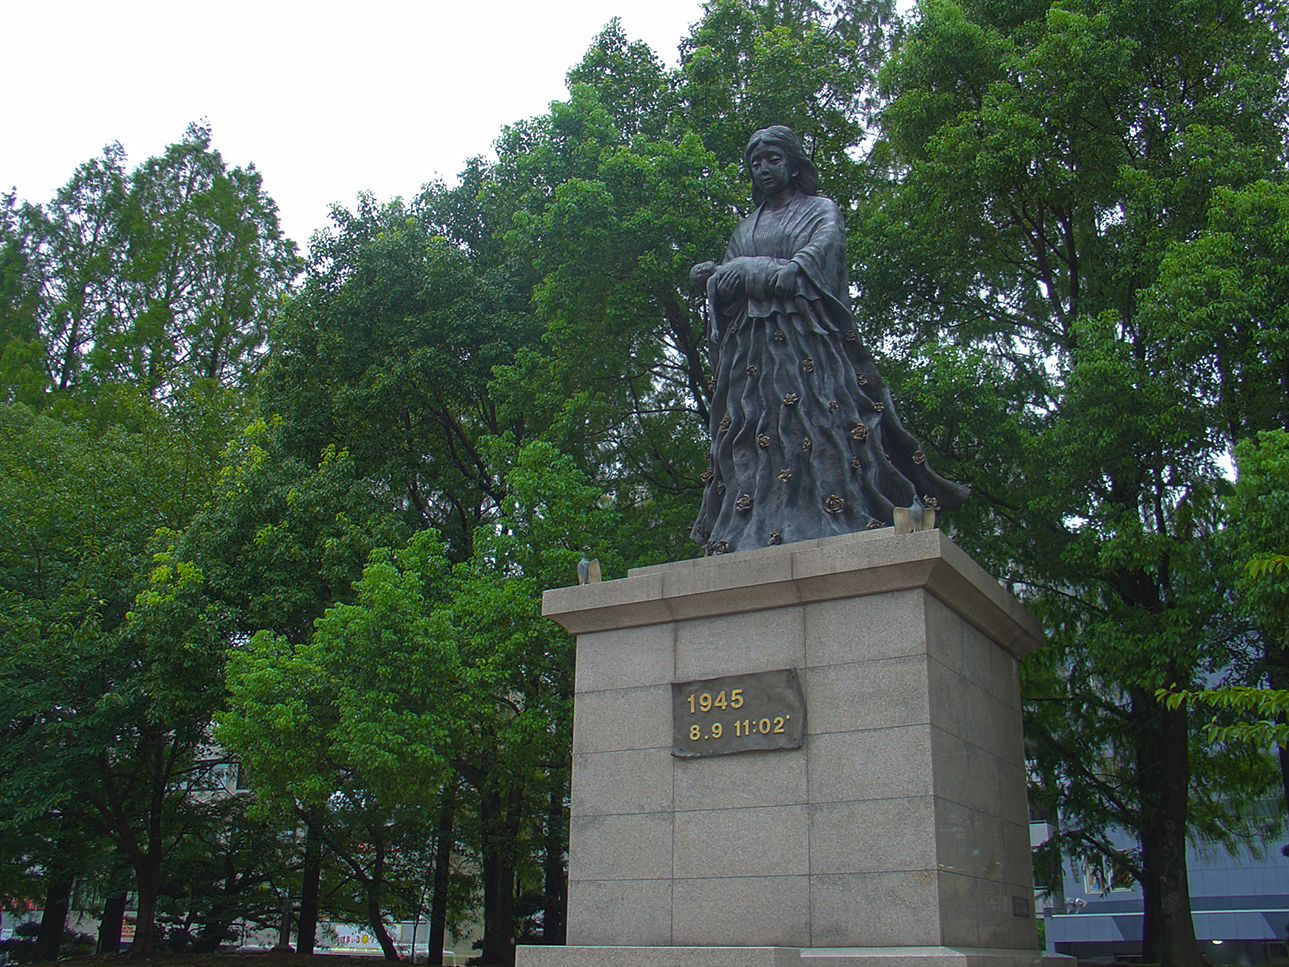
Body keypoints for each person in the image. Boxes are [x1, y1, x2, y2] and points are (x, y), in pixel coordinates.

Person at [689, 125, 968, 555]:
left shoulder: (821, 212)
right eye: (755, 163)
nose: (763, 169)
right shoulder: (745, 228)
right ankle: (752, 527)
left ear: (794, 163)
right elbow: (730, 289)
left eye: (773, 159)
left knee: (821, 431)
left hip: (808, 348)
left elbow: (799, 273)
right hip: (752, 358)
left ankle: (837, 514)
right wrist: (716, 278)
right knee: (753, 439)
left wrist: (749, 271)